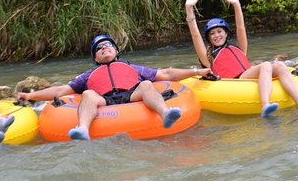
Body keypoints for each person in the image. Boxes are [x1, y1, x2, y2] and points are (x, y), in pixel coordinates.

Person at [16, 35, 211, 140]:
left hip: (131, 95)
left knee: (145, 84)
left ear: (116, 51)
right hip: (105, 100)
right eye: (99, 48)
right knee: (88, 93)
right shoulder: (88, 75)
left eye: (108, 45)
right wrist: (29, 96)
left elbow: (166, 74)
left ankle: (165, 114)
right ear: (95, 58)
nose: (104, 48)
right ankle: (83, 129)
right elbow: (60, 91)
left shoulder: (132, 67)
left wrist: (196, 72)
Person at [185, 0, 298, 118]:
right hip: (234, 83)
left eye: (220, 31)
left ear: (226, 33)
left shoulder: (239, 49)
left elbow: (240, 27)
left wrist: (236, 4)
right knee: (266, 65)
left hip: (248, 76)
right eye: (212, 34)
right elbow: (195, 35)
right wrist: (189, 8)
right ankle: (265, 105)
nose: (217, 35)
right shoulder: (208, 57)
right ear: (209, 38)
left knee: (279, 66)